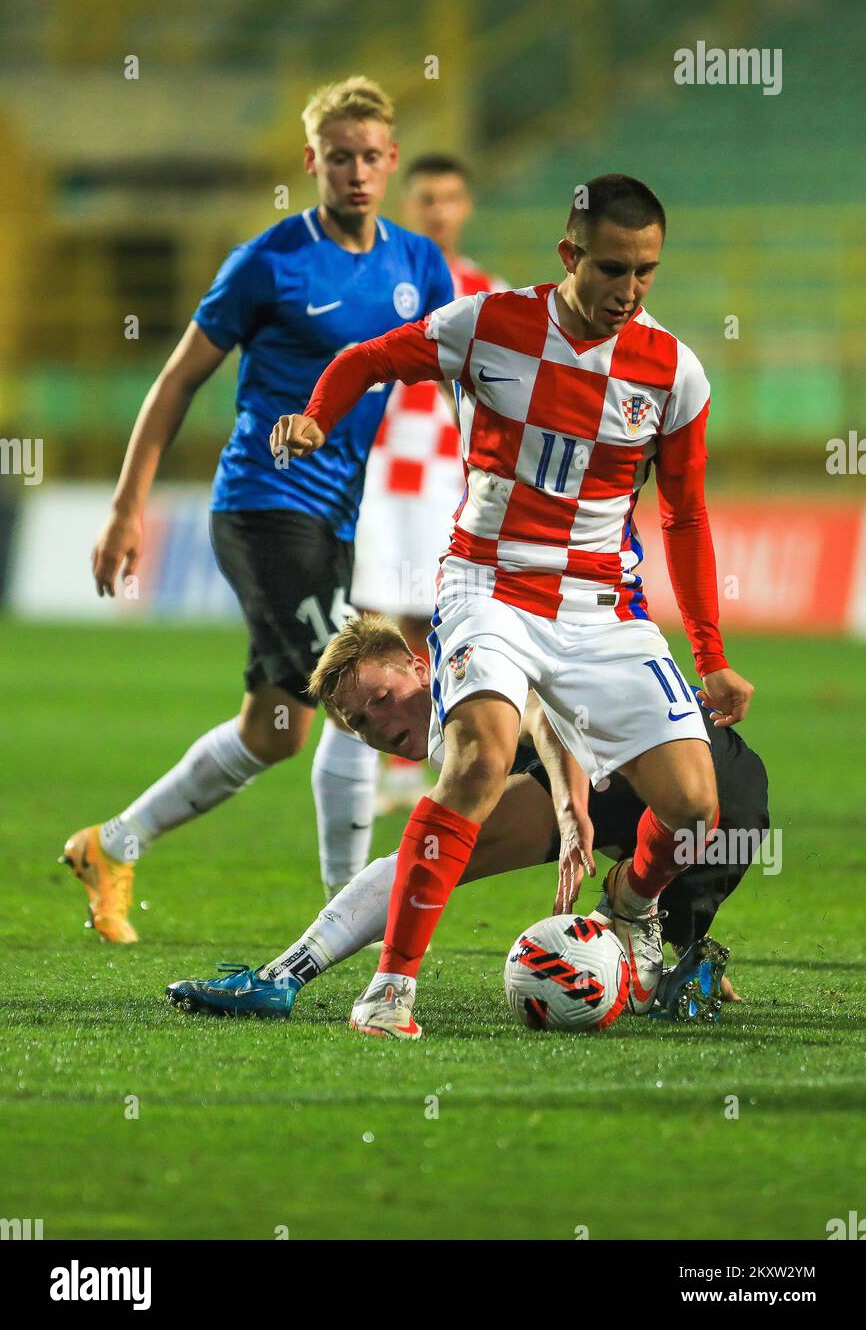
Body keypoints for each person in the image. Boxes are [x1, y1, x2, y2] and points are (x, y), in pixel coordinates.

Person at [270, 173, 755, 1039]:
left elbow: (685, 513)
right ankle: (391, 989)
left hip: (600, 605)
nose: (630, 290)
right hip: (488, 583)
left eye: (647, 271)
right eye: (612, 268)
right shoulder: (488, 324)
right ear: (570, 255)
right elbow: (366, 361)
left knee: (696, 808)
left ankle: (633, 905)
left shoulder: (674, 370)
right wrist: (315, 417)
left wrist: (711, 653)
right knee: (479, 763)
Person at [61, 75, 453, 942]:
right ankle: (349, 923)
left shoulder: (419, 264)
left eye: (371, 158)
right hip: (261, 507)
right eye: (339, 158)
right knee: (371, 693)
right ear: (312, 162)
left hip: (336, 521)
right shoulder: (268, 262)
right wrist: (128, 508)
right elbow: (176, 384)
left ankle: (112, 842)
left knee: (275, 730)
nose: (356, 172)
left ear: (390, 163)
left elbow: (459, 374)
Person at [166, 614, 769, 1021]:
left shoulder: (466, 669)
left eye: (382, 696)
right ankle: (666, 945)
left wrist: (567, 807)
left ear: (420, 665)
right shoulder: (440, 717)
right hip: (715, 816)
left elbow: (543, 715)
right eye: (361, 723)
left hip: (697, 779)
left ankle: (286, 976)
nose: (380, 722)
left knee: (430, 853)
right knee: (651, 995)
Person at [352, 153, 508, 813]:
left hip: (451, 472)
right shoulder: (372, 284)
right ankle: (379, 764)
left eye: (448, 197)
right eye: (425, 199)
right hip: (382, 470)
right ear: (406, 205)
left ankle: (434, 755)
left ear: (465, 204)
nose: (437, 210)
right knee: (370, 621)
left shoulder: (487, 291)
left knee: (437, 620)